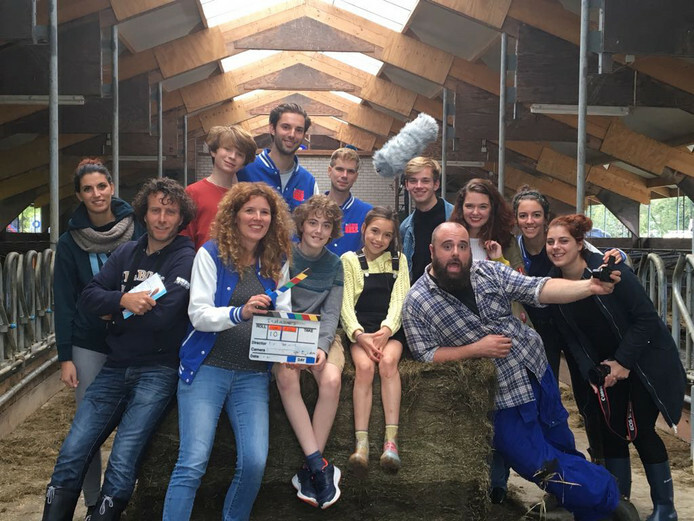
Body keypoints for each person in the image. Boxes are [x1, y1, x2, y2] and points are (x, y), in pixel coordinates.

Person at [403, 221, 639, 521]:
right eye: (447, 246)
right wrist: (476, 349)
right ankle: (609, 497)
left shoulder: (488, 272)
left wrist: (589, 286)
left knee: (559, 442)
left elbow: (538, 288)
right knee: (534, 461)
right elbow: (426, 355)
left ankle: (589, 512)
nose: (456, 254)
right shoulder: (417, 302)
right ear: (432, 250)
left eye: (462, 246)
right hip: (499, 394)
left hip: (534, 369)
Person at [42, 177, 196, 521]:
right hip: (115, 366)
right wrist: (124, 301)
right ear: (144, 213)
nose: (161, 218)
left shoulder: (185, 257)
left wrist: (113, 316)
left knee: (124, 456)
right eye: (155, 210)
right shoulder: (127, 252)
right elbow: (88, 297)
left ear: (181, 218)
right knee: (73, 449)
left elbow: (165, 315)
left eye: (170, 212)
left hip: (158, 369)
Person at [163, 182, 294, 521]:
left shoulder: (278, 260)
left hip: (252, 374)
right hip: (207, 367)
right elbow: (199, 314)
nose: (258, 218)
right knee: (192, 462)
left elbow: (285, 312)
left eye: (265, 212)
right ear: (234, 215)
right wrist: (240, 312)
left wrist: (294, 344)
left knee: (254, 462)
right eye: (250, 210)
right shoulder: (211, 254)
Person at [547, 214, 686, 521]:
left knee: (642, 431)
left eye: (564, 240)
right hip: (606, 370)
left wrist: (623, 362)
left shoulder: (612, 271)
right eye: (551, 241)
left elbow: (647, 319)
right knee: (611, 433)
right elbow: (572, 339)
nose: (556, 247)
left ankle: (665, 508)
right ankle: (619, 504)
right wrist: (593, 373)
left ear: (580, 244)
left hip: (643, 360)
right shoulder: (554, 286)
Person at [53, 158, 144, 517]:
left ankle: (123, 497)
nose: (96, 194)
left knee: (134, 426)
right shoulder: (69, 242)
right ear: (79, 195)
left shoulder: (137, 229)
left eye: (101, 186)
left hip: (134, 339)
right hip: (89, 342)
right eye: (88, 189)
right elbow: (63, 301)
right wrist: (65, 357)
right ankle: (93, 501)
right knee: (88, 428)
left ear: (112, 187)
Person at [449, 177, 523, 503]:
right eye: (470, 206)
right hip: (461, 330)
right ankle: (464, 475)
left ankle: (497, 482)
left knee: (499, 407)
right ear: (461, 208)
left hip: (498, 331)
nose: (475, 212)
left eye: (482, 206)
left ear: (493, 208)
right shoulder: (452, 237)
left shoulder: (505, 241)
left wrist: (498, 261)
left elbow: (519, 284)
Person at [274, 195, 345, 509]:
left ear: (332, 231)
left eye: (326, 225)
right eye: (313, 223)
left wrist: (320, 348)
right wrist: (294, 347)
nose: (318, 230)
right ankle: (318, 466)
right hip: (288, 330)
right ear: (301, 225)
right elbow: (280, 303)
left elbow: (331, 313)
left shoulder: (335, 264)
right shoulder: (284, 256)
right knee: (287, 378)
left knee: (331, 380)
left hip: (322, 333)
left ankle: (308, 468)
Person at [341, 207, 410, 475]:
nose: (379, 239)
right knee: (365, 367)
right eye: (374, 231)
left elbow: (400, 299)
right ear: (363, 229)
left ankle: (391, 442)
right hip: (361, 331)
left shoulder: (398, 260)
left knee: (389, 363)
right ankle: (362, 444)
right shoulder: (349, 260)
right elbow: (345, 304)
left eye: (387, 235)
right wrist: (359, 335)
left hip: (390, 329)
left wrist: (386, 330)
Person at [182, 125, 258, 249]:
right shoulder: (193, 192)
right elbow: (185, 238)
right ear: (213, 151)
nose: (232, 156)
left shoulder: (247, 197)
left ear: (244, 162)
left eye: (239, 154)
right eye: (227, 149)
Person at [237, 103, 318, 212]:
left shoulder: (309, 182)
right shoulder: (244, 170)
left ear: (304, 135)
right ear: (272, 128)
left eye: (299, 130)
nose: (292, 134)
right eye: (286, 127)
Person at [399, 157, 453, 283]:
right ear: (407, 185)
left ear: (436, 184)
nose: (419, 186)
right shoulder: (405, 228)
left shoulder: (456, 218)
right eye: (413, 181)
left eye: (425, 181)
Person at [324, 147, 372, 255]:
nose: (344, 176)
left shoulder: (367, 213)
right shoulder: (313, 210)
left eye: (350, 171)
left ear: (356, 176)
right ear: (329, 171)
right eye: (339, 169)